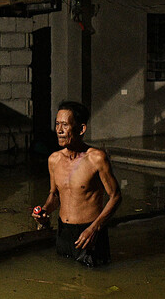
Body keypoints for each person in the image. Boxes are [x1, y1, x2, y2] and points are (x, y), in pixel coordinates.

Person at [33, 101, 121, 267]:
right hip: (63, 233)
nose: (59, 131)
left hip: (90, 233)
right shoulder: (54, 159)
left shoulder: (96, 158)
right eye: (57, 124)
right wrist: (44, 211)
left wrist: (95, 228)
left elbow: (116, 196)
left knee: (94, 286)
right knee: (64, 279)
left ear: (81, 129)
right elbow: (55, 195)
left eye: (65, 125)